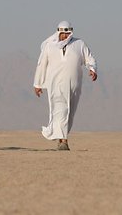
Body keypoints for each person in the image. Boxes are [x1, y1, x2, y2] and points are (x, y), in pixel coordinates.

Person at [33, 21, 97, 151]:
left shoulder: (79, 44)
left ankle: (61, 137)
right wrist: (38, 84)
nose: (65, 36)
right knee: (60, 110)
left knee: (69, 112)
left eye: (67, 33)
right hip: (55, 84)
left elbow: (89, 58)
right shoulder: (50, 46)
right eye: (62, 33)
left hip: (74, 85)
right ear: (58, 33)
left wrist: (92, 69)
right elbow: (41, 65)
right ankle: (63, 142)